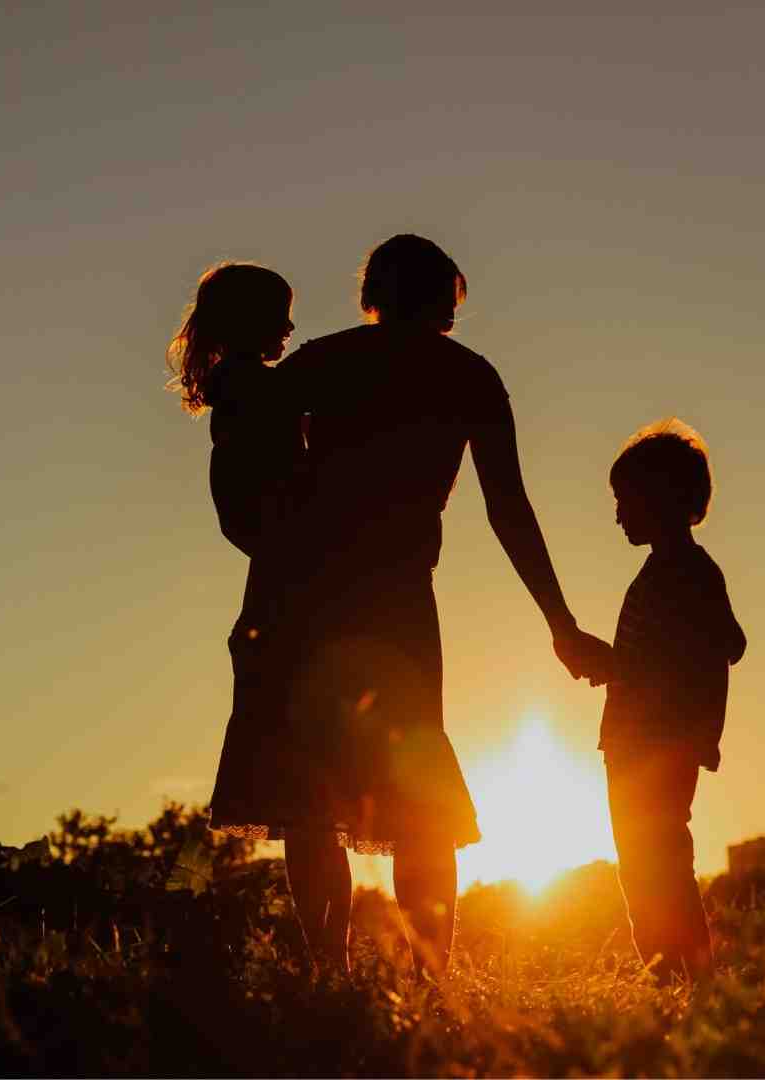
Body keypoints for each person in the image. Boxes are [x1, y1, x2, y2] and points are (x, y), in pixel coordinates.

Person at [269, 234, 603, 977]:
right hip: (397, 606)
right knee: (419, 802)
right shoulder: (468, 377)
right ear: (448, 295)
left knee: (314, 796)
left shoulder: (321, 363)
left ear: (375, 290)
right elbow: (508, 509)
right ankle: (428, 981)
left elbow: (251, 461)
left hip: (313, 599)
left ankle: (328, 973)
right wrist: (560, 622)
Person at [583, 420, 746, 982]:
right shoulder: (663, 571)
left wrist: (698, 728)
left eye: (626, 501)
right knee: (643, 857)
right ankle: (669, 970)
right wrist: (618, 667)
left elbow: (725, 643)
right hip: (632, 742)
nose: (619, 514)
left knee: (659, 857)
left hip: (658, 743)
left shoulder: (689, 571)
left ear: (665, 499)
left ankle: (685, 971)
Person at [166, 263, 307, 849]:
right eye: (279, 314)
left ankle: (325, 945)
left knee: (304, 793)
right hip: (288, 586)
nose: (291, 326)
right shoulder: (256, 389)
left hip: (276, 582)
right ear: (249, 322)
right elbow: (251, 511)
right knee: (308, 782)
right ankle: (326, 943)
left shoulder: (247, 389)